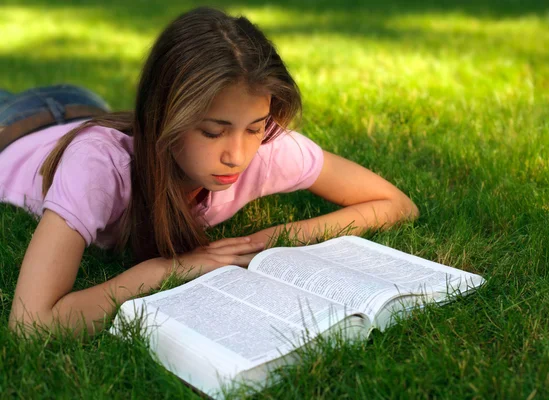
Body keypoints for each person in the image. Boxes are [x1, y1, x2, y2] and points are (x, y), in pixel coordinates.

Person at [0, 7, 419, 336]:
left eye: (254, 128)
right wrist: (165, 269)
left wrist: (270, 241)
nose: (237, 155)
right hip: (16, 129)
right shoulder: (100, 167)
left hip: (81, 104)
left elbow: (396, 204)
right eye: (213, 131)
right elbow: (31, 324)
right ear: (165, 118)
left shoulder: (266, 150)